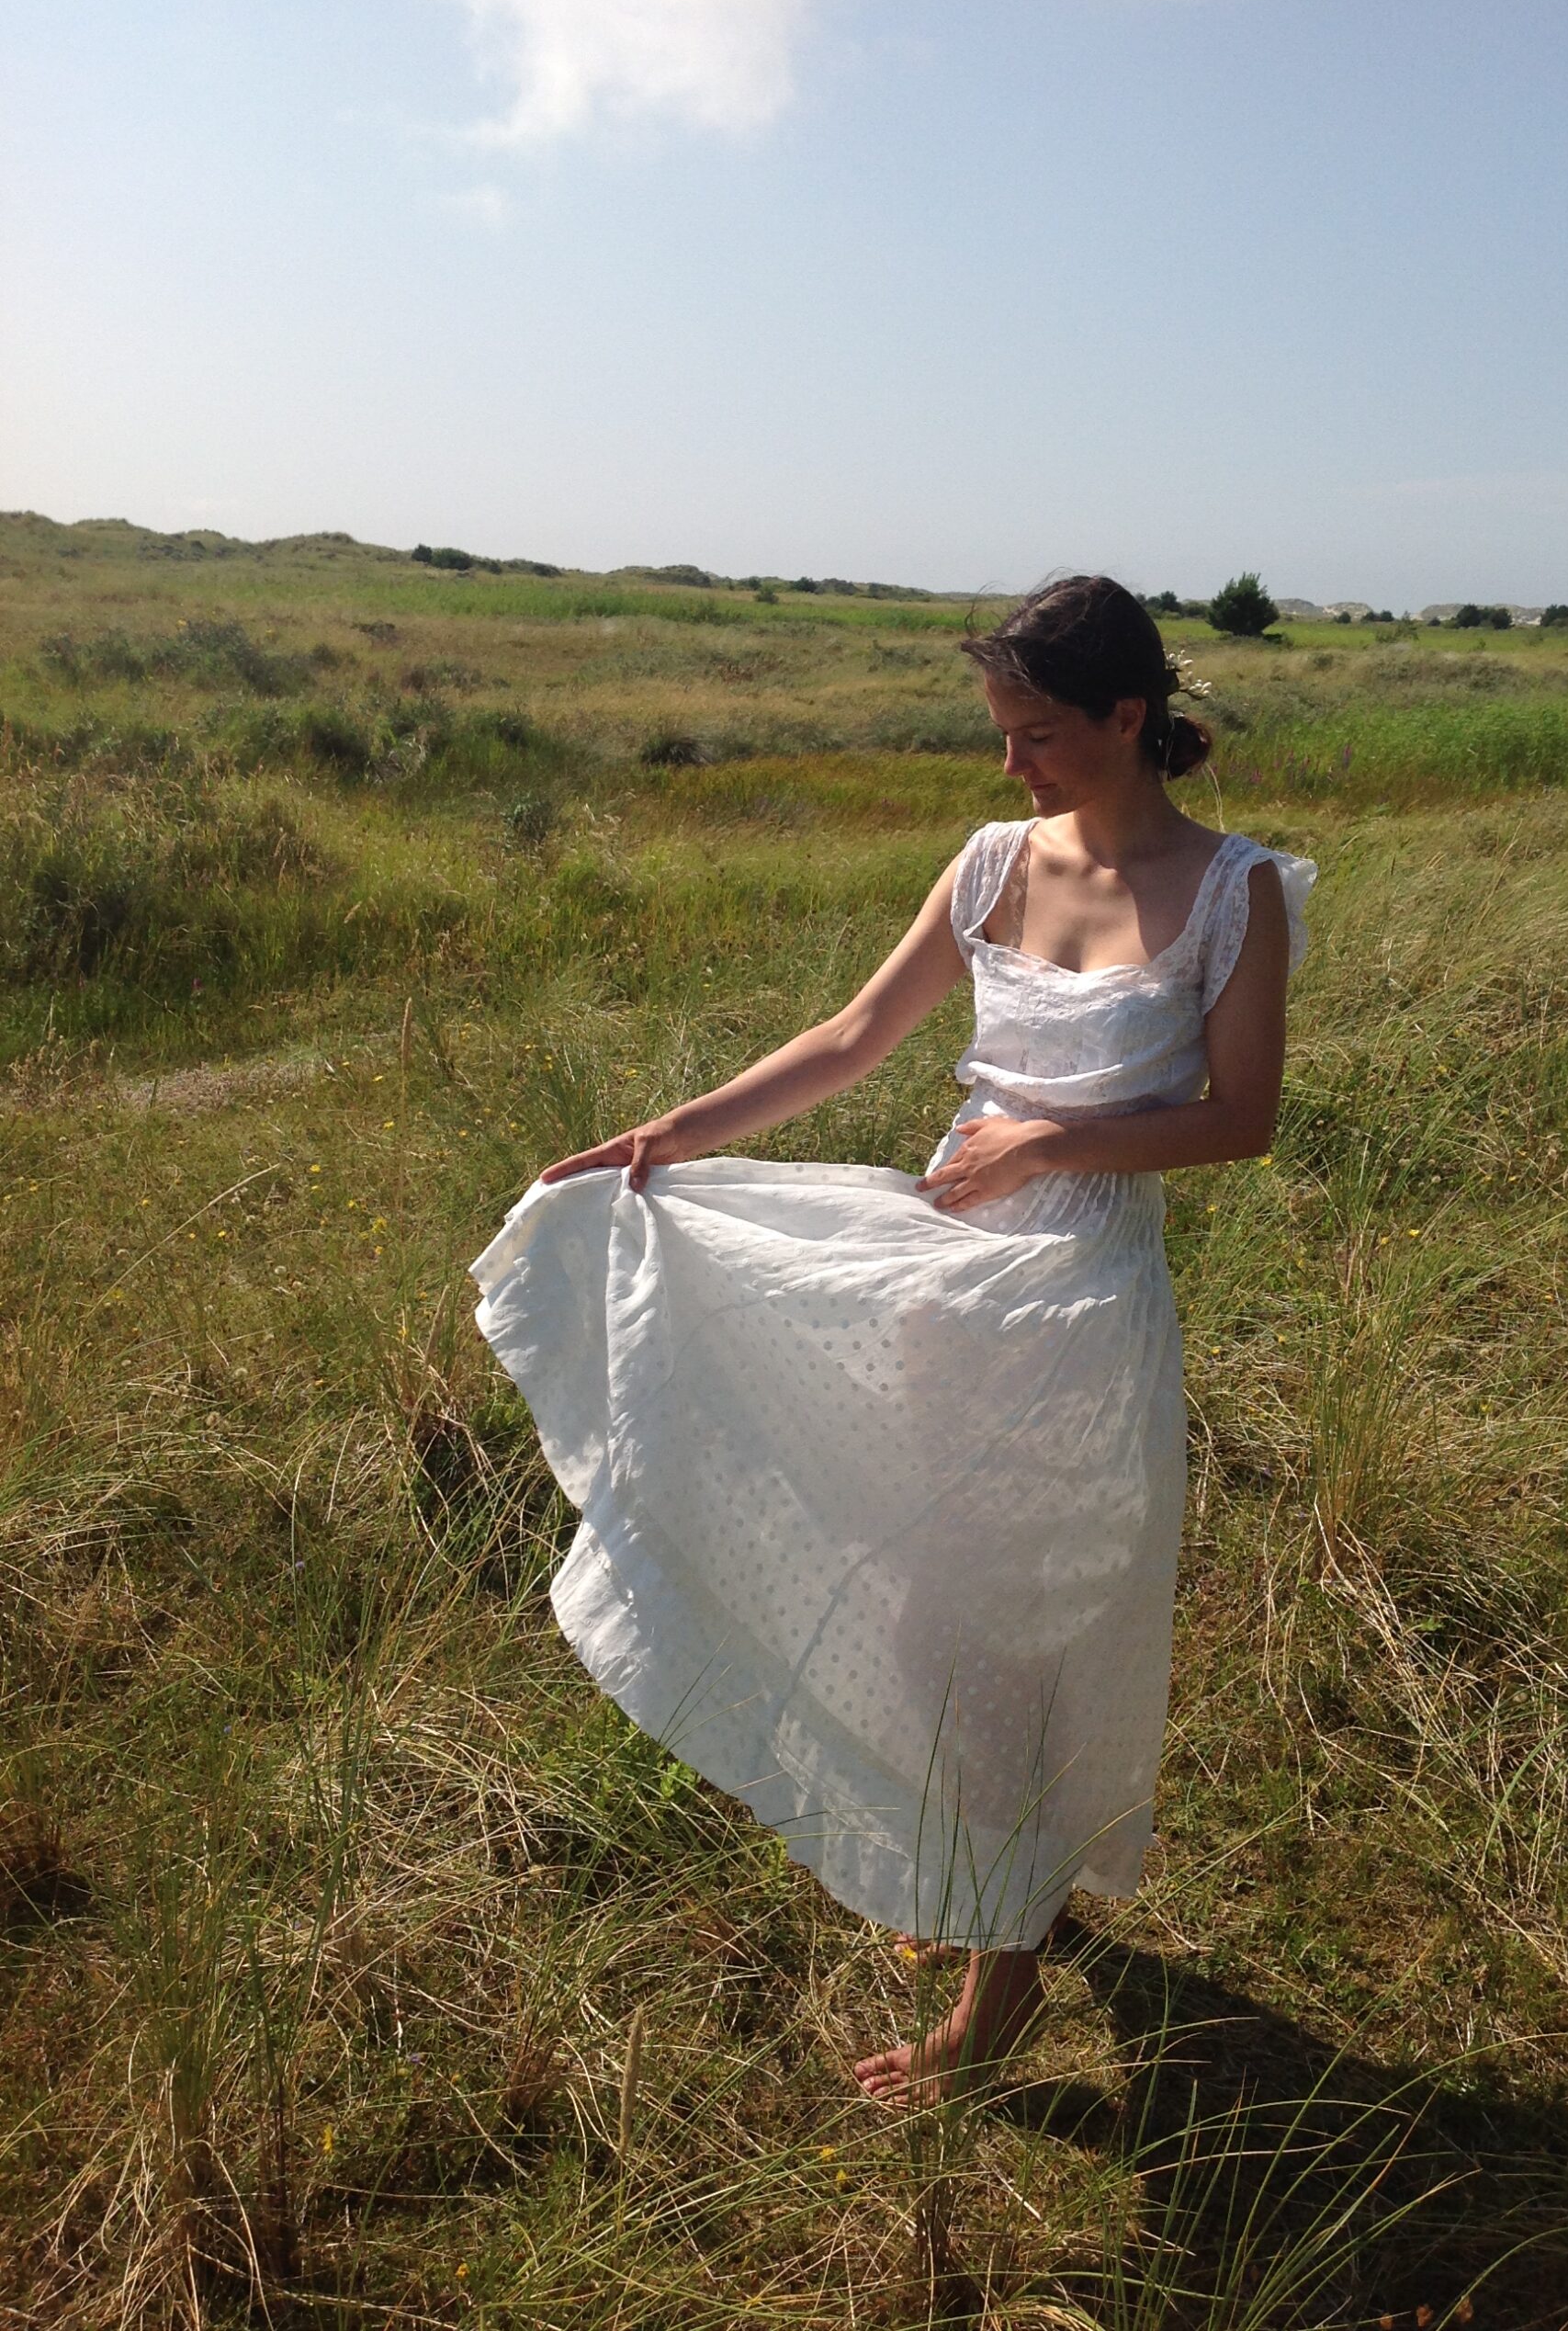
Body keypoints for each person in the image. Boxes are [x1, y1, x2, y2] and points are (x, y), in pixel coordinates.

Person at [468, 575, 1315, 2107]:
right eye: (1000, 735)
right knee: (932, 1612)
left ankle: (999, 2002)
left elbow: (1240, 1122)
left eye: (1040, 736)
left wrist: (1048, 1141)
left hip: (1078, 1310)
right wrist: (651, 1141)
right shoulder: (994, 862)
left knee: (1032, 1627)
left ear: (1130, 718)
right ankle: (993, 1882)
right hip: (939, 1283)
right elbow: (851, 1041)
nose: (1011, 770)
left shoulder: (1236, 892)